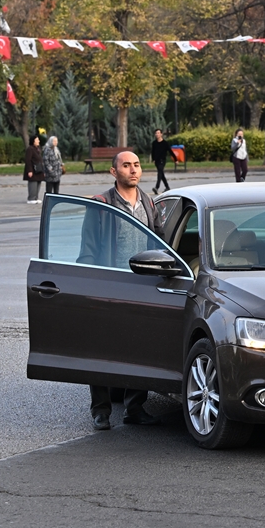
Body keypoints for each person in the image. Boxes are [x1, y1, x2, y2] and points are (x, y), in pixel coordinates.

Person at [83, 151, 159, 430]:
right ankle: (101, 411)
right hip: (111, 286)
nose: (133, 170)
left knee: (140, 349)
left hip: (143, 286)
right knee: (102, 350)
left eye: (136, 165)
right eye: (126, 165)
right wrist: (91, 288)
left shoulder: (149, 203)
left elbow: (161, 245)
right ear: (114, 172)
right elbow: (88, 251)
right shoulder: (101, 205)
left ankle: (135, 407)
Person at [24, 135, 45, 204]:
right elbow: (28, 160)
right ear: (33, 141)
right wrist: (29, 170)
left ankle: (36, 197)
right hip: (33, 169)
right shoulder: (30, 149)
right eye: (37, 140)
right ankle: (31, 198)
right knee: (33, 183)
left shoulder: (37, 149)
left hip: (39, 169)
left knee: (38, 182)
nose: (38, 141)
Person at [151, 129, 172, 194]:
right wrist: (153, 159)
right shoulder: (154, 143)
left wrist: (176, 159)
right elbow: (153, 152)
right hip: (157, 161)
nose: (157, 134)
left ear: (161, 134)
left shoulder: (165, 143)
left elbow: (170, 151)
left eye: (158, 133)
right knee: (161, 174)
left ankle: (156, 187)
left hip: (162, 160)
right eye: (156, 133)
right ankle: (167, 187)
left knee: (159, 173)